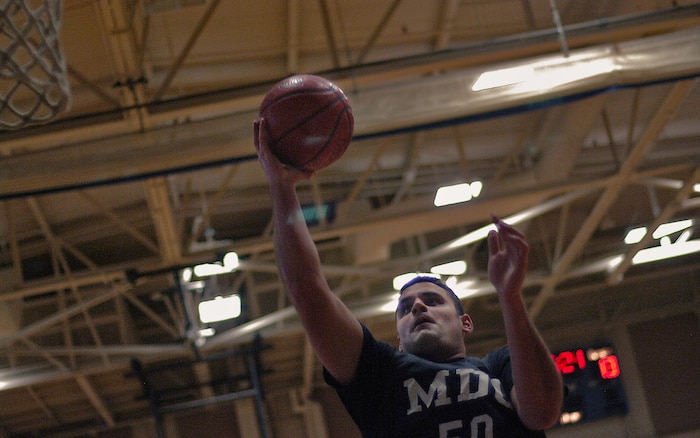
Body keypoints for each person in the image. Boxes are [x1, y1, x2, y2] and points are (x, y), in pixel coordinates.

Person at [254, 118, 563, 437]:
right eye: (404, 308)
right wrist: (281, 186)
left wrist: (510, 298)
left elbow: (541, 413)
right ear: (398, 341)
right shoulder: (382, 376)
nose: (416, 307)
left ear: (465, 323)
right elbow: (307, 287)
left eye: (432, 300)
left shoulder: (500, 366)